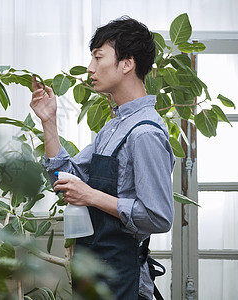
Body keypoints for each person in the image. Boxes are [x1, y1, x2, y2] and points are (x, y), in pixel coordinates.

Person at [30, 16, 175, 300]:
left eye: (98, 57)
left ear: (127, 63)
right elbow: (64, 180)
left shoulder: (144, 133)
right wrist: (49, 122)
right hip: (94, 271)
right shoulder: (112, 127)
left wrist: (92, 196)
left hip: (122, 278)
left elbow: (159, 218)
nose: (90, 68)